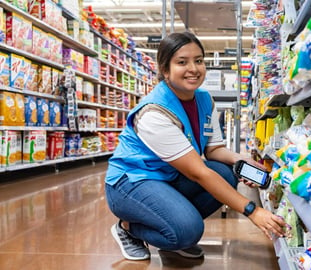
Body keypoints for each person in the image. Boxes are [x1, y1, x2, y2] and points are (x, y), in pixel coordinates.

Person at [105, 31, 286, 261]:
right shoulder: (154, 112)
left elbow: (214, 150)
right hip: (131, 183)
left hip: (167, 177)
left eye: (198, 60)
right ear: (165, 69)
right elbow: (198, 172)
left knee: (226, 172)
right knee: (188, 231)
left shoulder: (203, 99)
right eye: (182, 62)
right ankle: (129, 228)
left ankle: (174, 226)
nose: (193, 68)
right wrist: (252, 210)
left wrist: (240, 160)